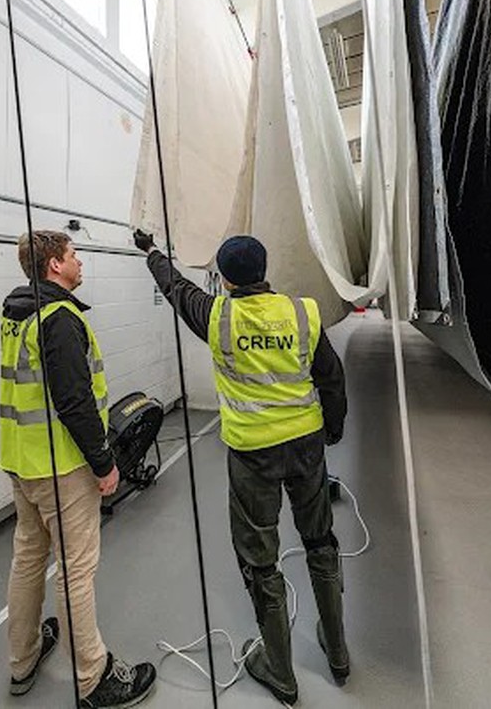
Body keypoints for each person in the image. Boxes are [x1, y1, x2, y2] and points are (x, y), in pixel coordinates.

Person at [134, 230, 349, 705]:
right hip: (307, 446)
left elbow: (176, 288)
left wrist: (151, 252)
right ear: (265, 269)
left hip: (253, 455)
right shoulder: (303, 312)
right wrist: (331, 430)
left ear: (225, 280)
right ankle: (338, 653)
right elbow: (331, 378)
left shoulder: (217, 317)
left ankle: (280, 671)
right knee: (320, 542)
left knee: (260, 559)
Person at [0, 230, 156, 708]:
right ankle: (93, 677)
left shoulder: (17, 313)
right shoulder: (60, 317)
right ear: (53, 266)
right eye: (73, 255)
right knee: (77, 569)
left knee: (28, 558)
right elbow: (74, 401)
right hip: (61, 468)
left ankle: (22, 659)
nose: (80, 261)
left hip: (21, 461)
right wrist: (105, 463)